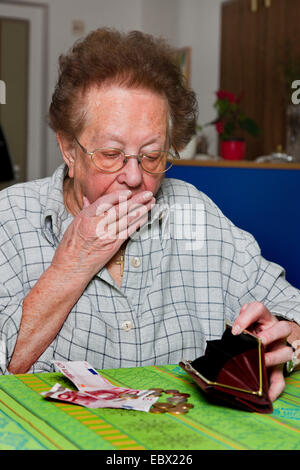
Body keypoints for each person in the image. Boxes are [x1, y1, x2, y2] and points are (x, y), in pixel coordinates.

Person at [0, 28, 299, 403]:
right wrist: (72, 266)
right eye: (110, 154)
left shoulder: (192, 212)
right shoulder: (10, 219)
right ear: (68, 150)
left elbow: (289, 307)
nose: (135, 176)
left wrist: (284, 338)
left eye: (152, 155)